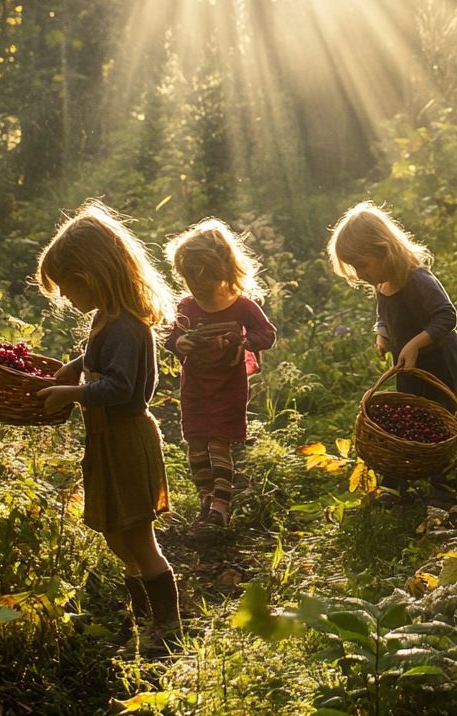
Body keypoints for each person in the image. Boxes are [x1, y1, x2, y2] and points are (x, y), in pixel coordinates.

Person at [34, 201, 182, 651]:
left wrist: (72, 393)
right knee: (116, 532)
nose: (67, 299)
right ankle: (142, 615)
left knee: (137, 535)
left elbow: (122, 388)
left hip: (126, 438)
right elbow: (103, 361)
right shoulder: (108, 319)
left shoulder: (126, 327)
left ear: (92, 276)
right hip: (106, 439)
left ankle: (167, 625)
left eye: (68, 288)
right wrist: (75, 366)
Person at [164, 218, 277, 533]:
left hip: (228, 388)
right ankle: (206, 499)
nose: (197, 288)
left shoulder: (241, 306)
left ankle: (220, 508)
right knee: (196, 443)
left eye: (203, 281)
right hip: (196, 388)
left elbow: (267, 334)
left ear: (224, 272)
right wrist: (179, 342)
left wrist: (245, 342)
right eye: (190, 281)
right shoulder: (186, 306)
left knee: (218, 443)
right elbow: (171, 337)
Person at [327, 201, 457, 412]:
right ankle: (420, 444)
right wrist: (382, 334)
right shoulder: (383, 284)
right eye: (355, 268)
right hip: (410, 364)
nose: (360, 274)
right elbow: (383, 315)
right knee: (413, 409)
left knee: (440, 410)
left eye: (363, 265)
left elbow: (446, 316)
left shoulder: (417, 279)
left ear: (384, 250)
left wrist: (415, 344)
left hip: (438, 361)